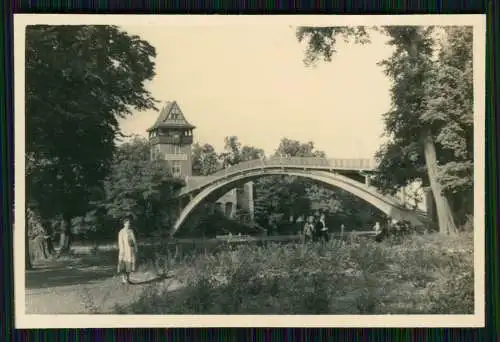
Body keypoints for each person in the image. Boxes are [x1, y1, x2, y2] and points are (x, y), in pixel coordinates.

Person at [117, 216, 138, 284]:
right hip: (124, 251)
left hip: (131, 250)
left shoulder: (131, 231)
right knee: (123, 265)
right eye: (127, 223)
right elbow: (120, 242)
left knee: (130, 265)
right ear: (124, 223)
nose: (128, 224)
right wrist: (122, 251)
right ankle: (123, 279)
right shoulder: (121, 232)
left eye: (129, 223)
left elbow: (134, 240)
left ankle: (128, 279)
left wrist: (136, 248)